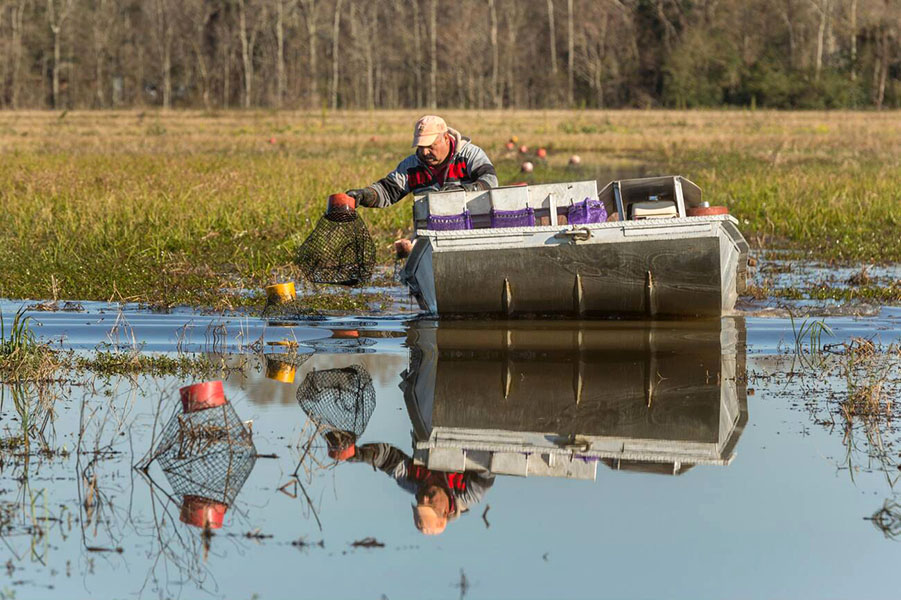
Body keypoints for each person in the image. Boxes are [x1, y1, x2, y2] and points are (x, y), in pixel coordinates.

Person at [345, 115, 498, 209]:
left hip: (472, 225)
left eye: (430, 146)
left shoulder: (470, 155)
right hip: (430, 230)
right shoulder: (412, 166)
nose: (424, 152)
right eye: (421, 147)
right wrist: (364, 195)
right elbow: (387, 191)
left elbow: (490, 181)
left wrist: (461, 192)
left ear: (445, 138)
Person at [346, 442, 494, 536]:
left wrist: (358, 454)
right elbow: (487, 467)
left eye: (421, 504)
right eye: (430, 505)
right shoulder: (469, 493)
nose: (424, 498)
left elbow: (387, 458)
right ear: (445, 512)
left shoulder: (411, 481)